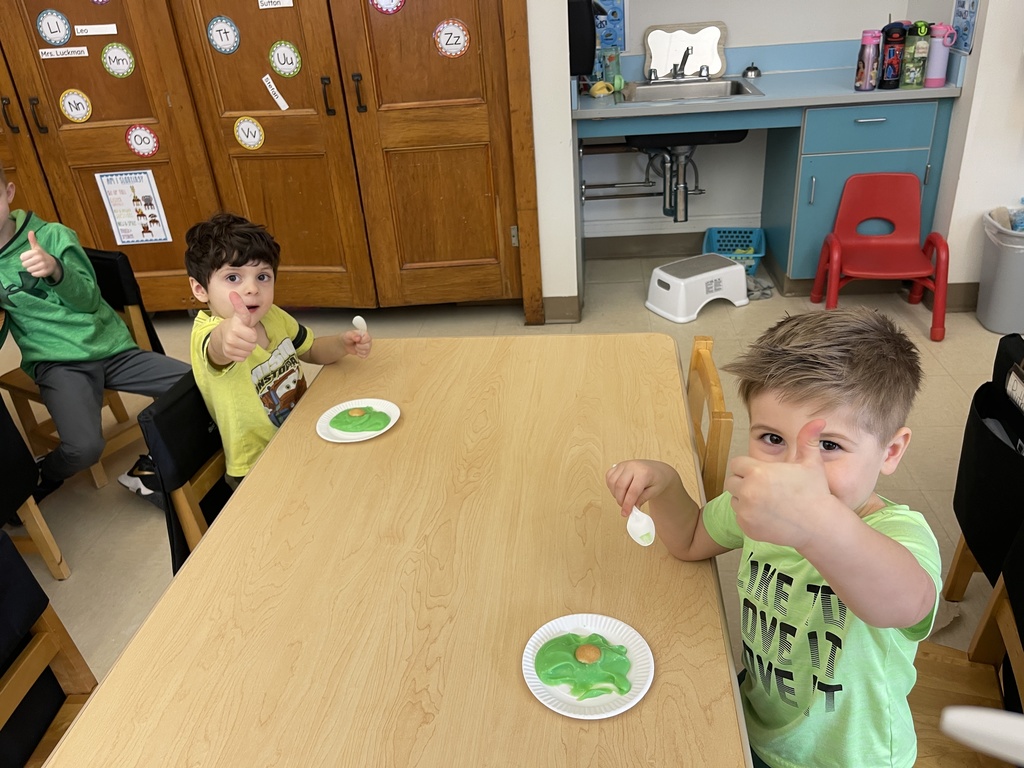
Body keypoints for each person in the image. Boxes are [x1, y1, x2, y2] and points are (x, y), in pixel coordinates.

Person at [606, 308, 940, 768]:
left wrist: (815, 520)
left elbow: (905, 603)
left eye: (828, 446)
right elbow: (689, 539)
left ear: (891, 451)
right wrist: (664, 485)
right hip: (758, 726)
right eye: (771, 438)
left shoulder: (897, 533)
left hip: (849, 758)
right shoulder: (756, 508)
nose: (793, 472)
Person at [0, 167, 188, 511]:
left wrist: (56, 269)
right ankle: (45, 473)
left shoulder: (53, 235)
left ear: (9, 193)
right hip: (55, 363)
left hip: (109, 347)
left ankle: (153, 468)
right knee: (84, 448)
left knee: (198, 384)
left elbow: (88, 299)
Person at [184, 212, 372, 486]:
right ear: (200, 289)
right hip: (257, 467)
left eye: (262, 276)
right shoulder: (207, 332)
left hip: (303, 430)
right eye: (233, 278)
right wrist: (228, 336)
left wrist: (342, 344)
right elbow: (217, 348)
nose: (252, 289)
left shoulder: (273, 316)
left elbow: (310, 350)